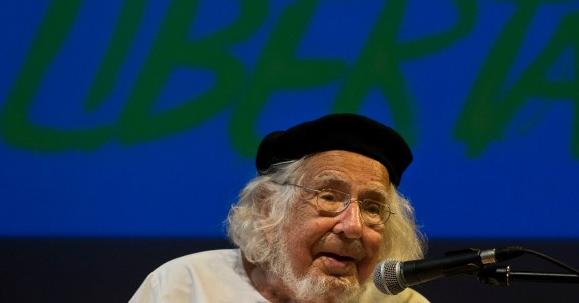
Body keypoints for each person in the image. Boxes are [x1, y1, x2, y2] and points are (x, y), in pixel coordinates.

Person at [129, 113, 429, 302]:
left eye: (372, 207)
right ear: (268, 209)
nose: (353, 225)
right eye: (328, 197)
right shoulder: (183, 287)